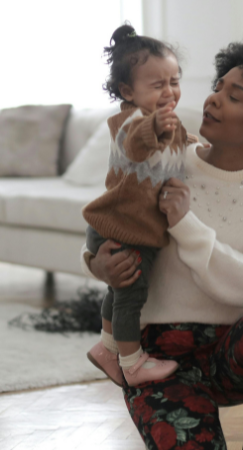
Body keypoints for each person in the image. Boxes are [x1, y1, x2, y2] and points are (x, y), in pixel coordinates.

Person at [81, 24, 243, 449]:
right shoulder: (168, 155)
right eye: (219, 85)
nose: (213, 98)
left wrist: (185, 223)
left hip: (234, 353)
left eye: (235, 97)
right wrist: (95, 264)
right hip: (155, 357)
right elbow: (115, 218)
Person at [84, 24, 203, 387]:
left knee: (118, 292)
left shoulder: (165, 122)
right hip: (122, 227)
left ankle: (106, 348)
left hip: (125, 226)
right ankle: (133, 364)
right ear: (127, 92)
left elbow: (176, 141)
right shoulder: (131, 123)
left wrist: (191, 143)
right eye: (157, 85)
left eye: (174, 82)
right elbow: (138, 145)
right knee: (131, 300)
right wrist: (155, 125)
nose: (169, 92)